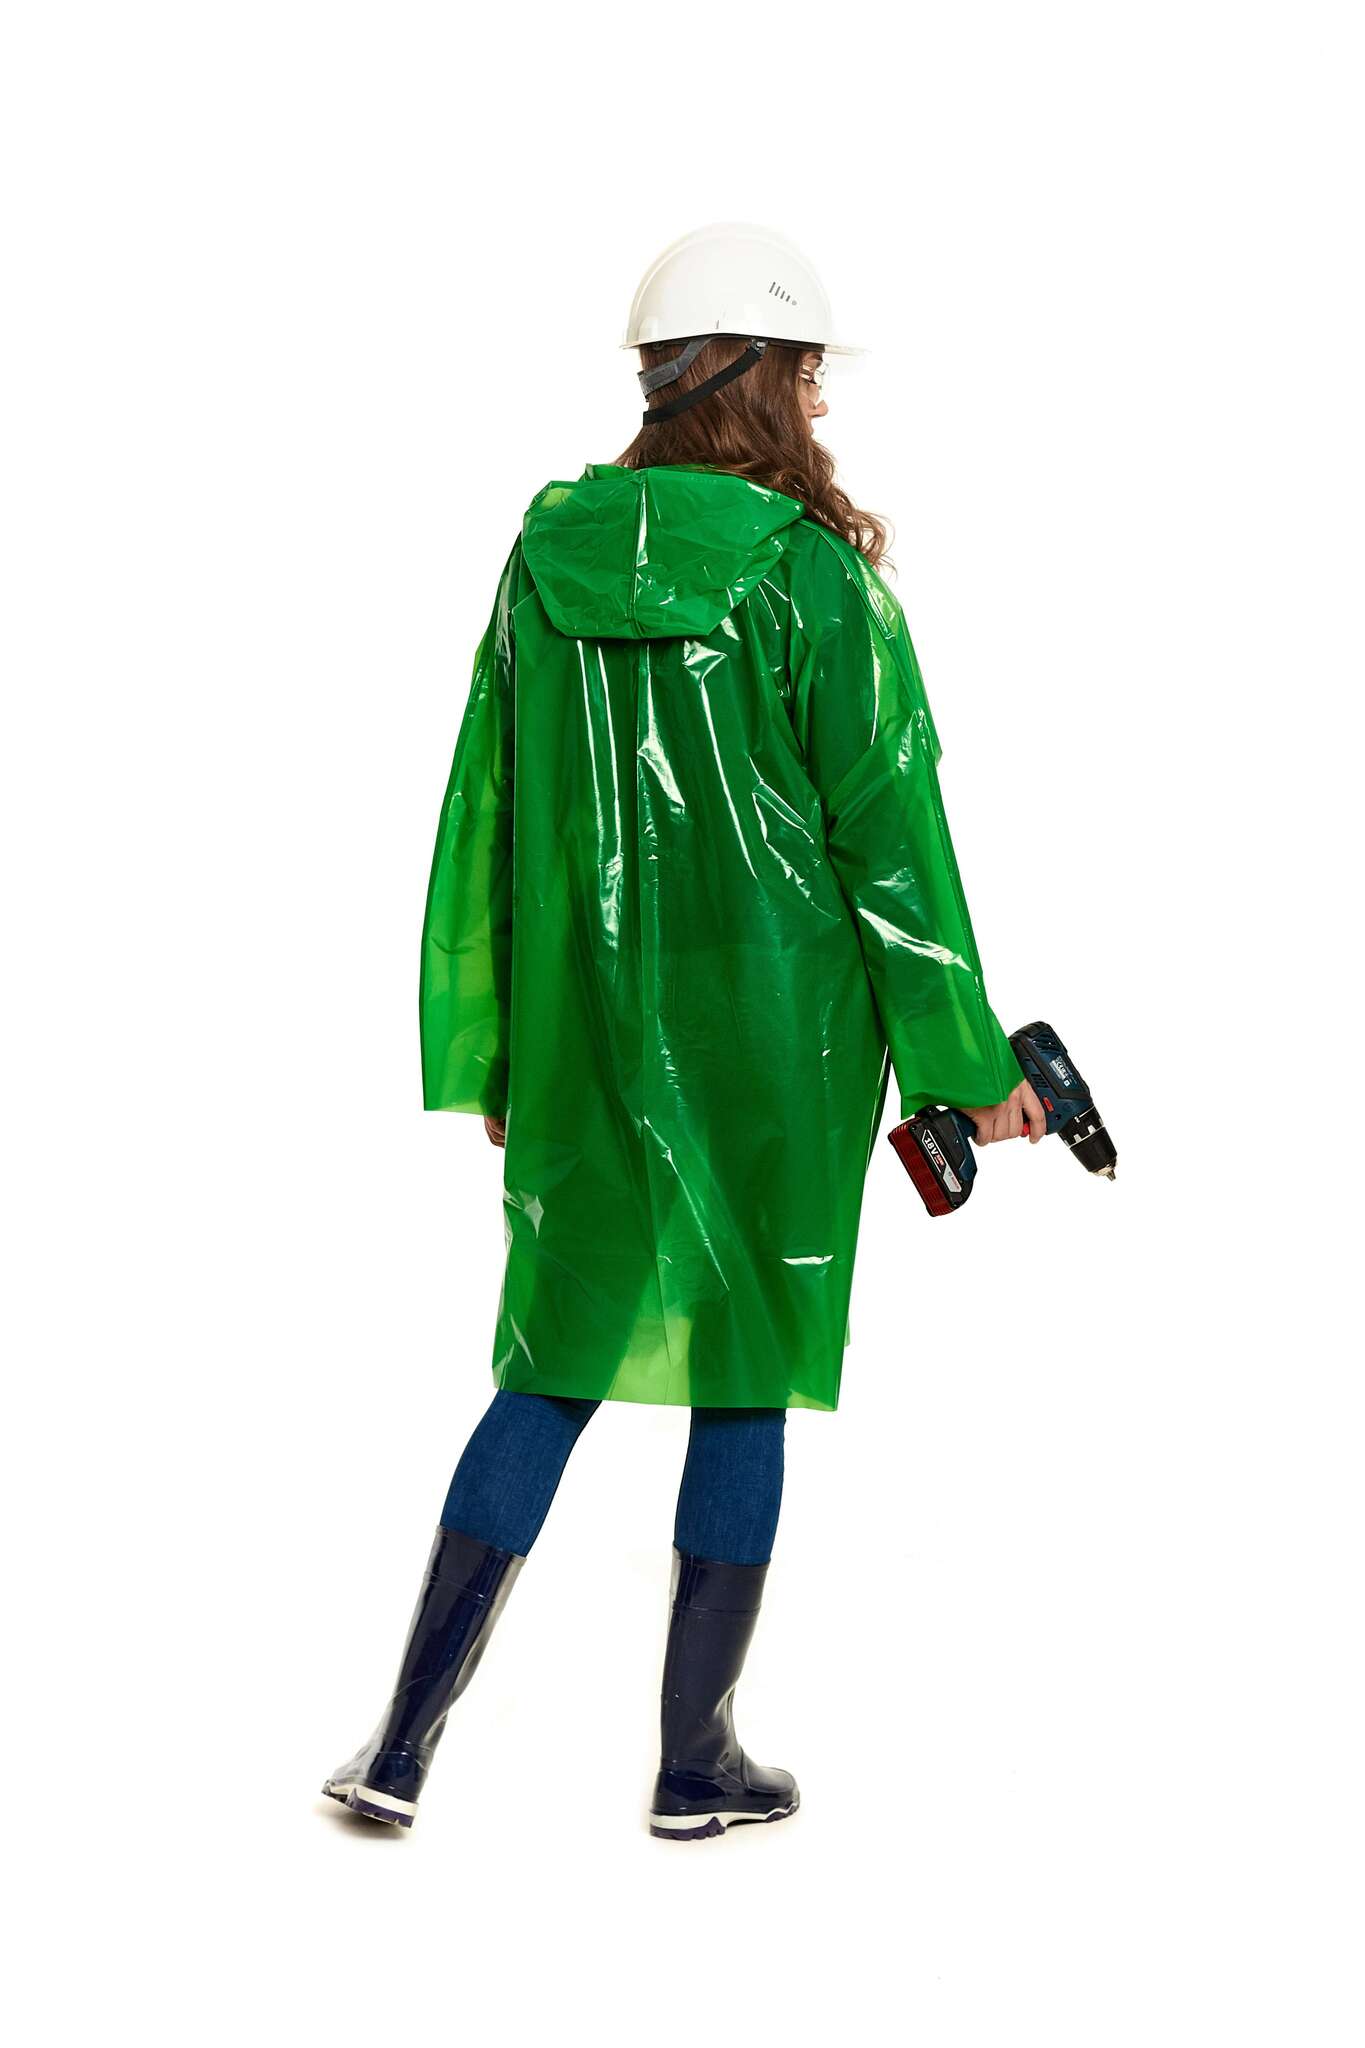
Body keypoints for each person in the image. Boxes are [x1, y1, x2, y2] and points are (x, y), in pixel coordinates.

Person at [321, 222, 1044, 1843]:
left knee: (549, 1361)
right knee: (745, 1367)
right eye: (809, 371)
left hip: (587, 1018)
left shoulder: (545, 556)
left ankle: (400, 1746)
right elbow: (888, 839)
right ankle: (693, 1763)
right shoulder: (807, 574)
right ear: (762, 378)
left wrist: (497, 1042)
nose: (820, 401)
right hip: (781, 1030)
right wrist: (966, 1061)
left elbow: (490, 805)